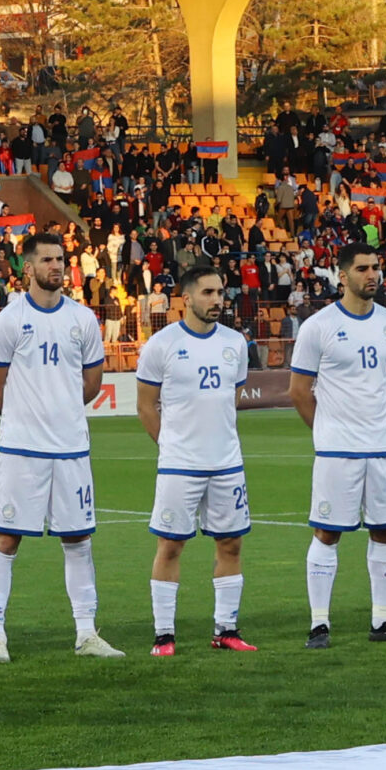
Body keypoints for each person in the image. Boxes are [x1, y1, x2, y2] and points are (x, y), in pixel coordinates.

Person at [0, 231, 125, 661]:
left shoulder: (82, 319)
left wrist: (60, 413)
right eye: (46, 260)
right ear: (28, 268)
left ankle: (86, 633)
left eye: (60, 259)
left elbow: (92, 383)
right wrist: (25, 419)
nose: (56, 266)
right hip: (21, 450)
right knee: (6, 538)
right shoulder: (10, 319)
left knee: (78, 540)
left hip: (71, 449)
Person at [291, 241, 386, 646]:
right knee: (327, 532)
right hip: (338, 451)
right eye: (363, 269)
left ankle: (382, 621)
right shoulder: (319, 326)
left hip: (384, 447)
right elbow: (298, 391)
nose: (372, 275)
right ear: (342, 276)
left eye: (375, 267)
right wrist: (326, 431)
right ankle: (319, 624)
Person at [135, 263, 256, 656]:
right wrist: (171, 446)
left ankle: (226, 630)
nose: (217, 300)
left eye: (220, 292)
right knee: (171, 545)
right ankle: (163, 636)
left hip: (226, 463)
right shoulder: (162, 345)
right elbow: (146, 405)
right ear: (186, 298)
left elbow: (232, 399)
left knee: (231, 545)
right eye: (208, 293)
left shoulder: (235, 343)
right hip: (179, 466)